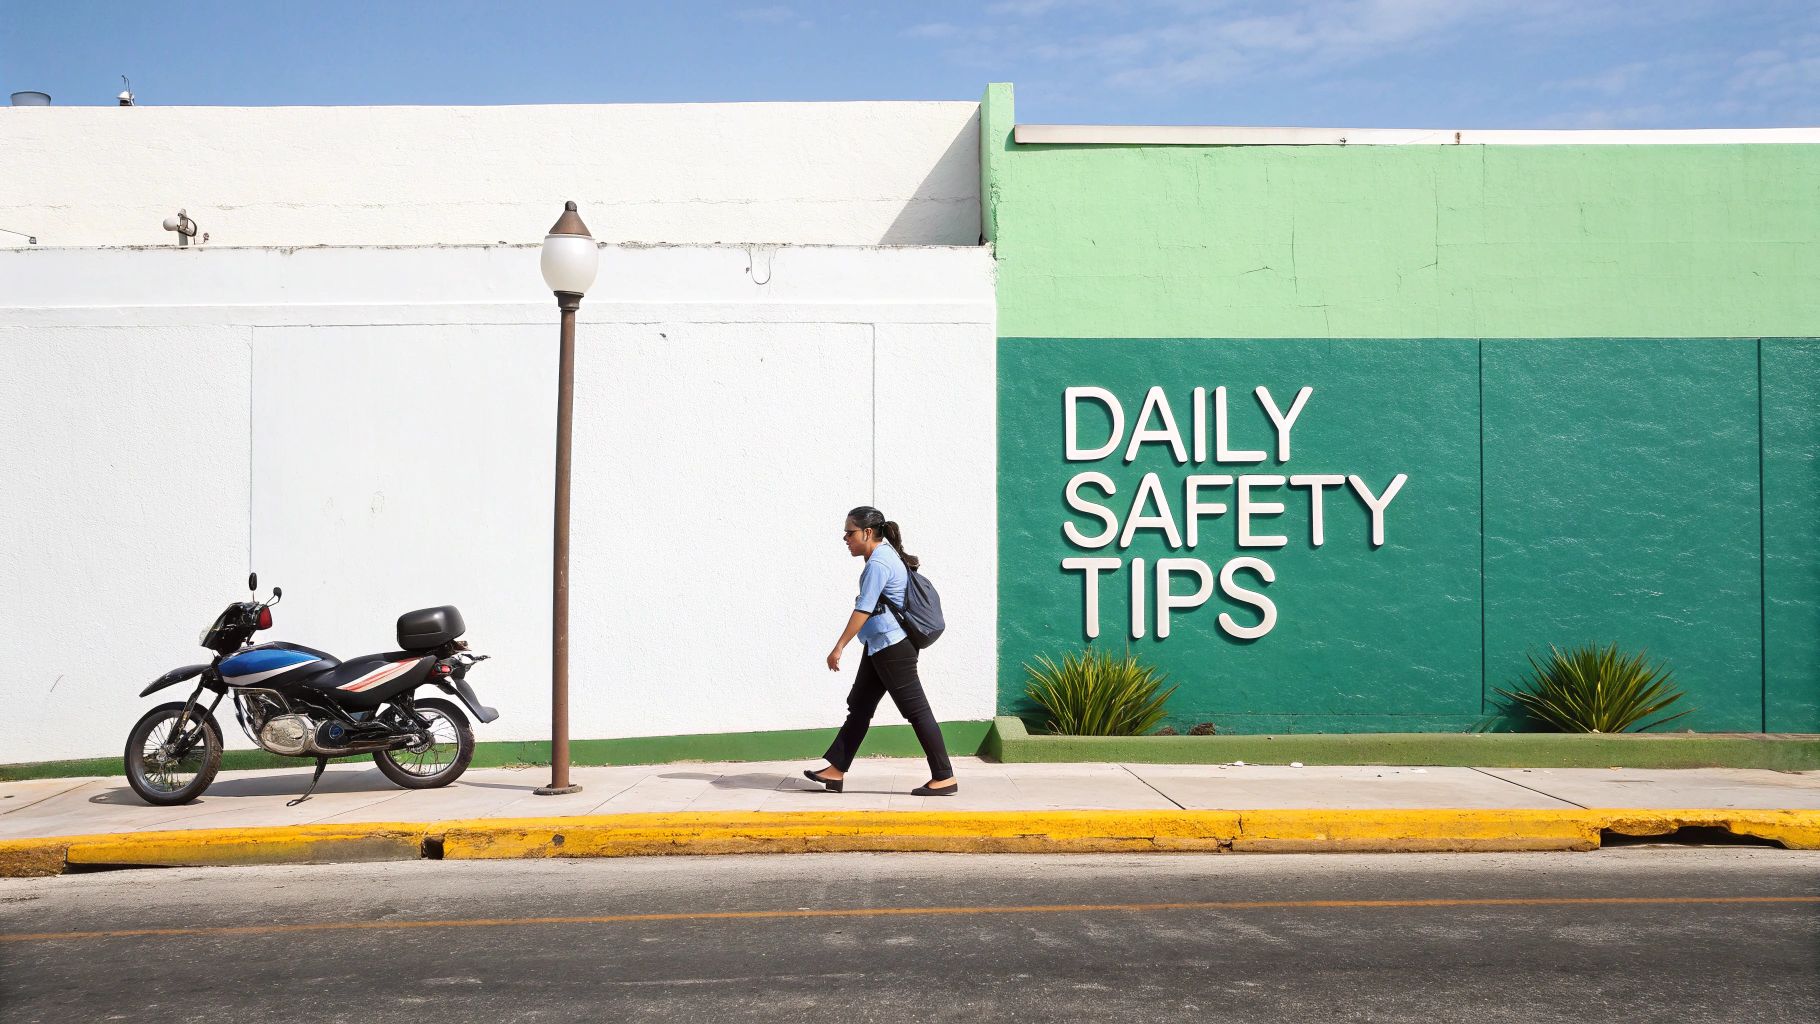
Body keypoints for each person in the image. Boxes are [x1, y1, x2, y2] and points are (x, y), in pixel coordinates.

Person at [804, 506, 957, 796]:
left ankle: (944, 776)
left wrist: (839, 647)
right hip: (880, 645)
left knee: (916, 710)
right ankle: (836, 770)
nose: (845, 538)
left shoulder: (878, 563)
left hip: (892, 647)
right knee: (859, 706)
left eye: (850, 533)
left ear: (868, 532)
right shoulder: (884, 555)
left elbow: (863, 608)